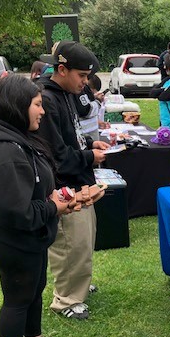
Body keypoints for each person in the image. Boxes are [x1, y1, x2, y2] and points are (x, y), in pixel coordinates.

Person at [0, 75, 79, 337]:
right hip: (12, 239)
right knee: (18, 298)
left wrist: (54, 196)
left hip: (30, 236)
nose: (42, 111)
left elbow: (28, 186)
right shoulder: (4, 151)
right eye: (37, 104)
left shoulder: (17, 137)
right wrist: (52, 206)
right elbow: (11, 210)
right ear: (18, 106)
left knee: (34, 288)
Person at [36, 41, 110, 320]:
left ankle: (78, 285)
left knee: (84, 238)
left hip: (79, 178)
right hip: (62, 184)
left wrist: (91, 143)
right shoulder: (47, 98)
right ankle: (66, 299)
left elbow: (72, 135)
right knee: (69, 242)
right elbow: (55, 154)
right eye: (81, 76)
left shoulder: (65, 93)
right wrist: (89, 157)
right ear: (62, 69)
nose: (85, 82)